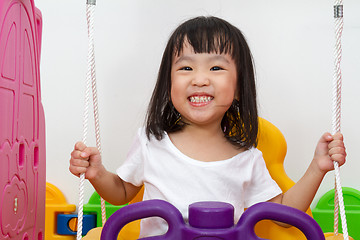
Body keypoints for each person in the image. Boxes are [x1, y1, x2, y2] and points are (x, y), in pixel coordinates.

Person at [69, 16, 346, 237]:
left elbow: (283, 215)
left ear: (238, 88)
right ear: (169, 85)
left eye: (216, 68)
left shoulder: (247, 158)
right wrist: (97, 174)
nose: (200, 79)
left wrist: (317, 167)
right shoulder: (150, 143)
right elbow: (120, 192)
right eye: (186, 68)